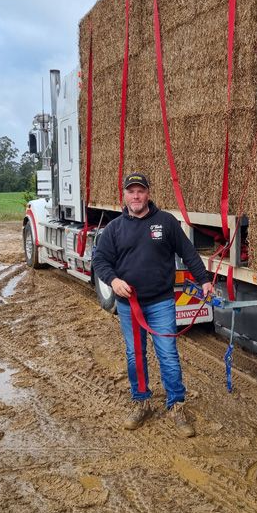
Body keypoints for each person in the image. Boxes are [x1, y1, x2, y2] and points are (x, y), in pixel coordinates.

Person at [92, 172, 213, 437]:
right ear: (124, 195)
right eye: (131, 191)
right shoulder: (114, 228)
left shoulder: (166, 222)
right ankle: (142, 402)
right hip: (130, 306)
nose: (136, 196)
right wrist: (113, 281)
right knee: (135, 355)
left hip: (161, 303)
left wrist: (204, 280)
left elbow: (188, 252)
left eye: (140, 191)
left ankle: (176, 406)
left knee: (168, 354)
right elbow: (99, 260)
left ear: (148, 193)